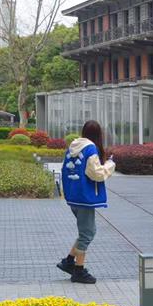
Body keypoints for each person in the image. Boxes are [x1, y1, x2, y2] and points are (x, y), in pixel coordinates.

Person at [57, 120, 116, 284]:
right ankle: (78, 270)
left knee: (86, 231)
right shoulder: (90, 149)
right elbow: (96, 173)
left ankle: (68, 261)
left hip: (73, 197)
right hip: (84, 198)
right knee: (87, 233)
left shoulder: (73, 146)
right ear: (98, 135)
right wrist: (111, 164)